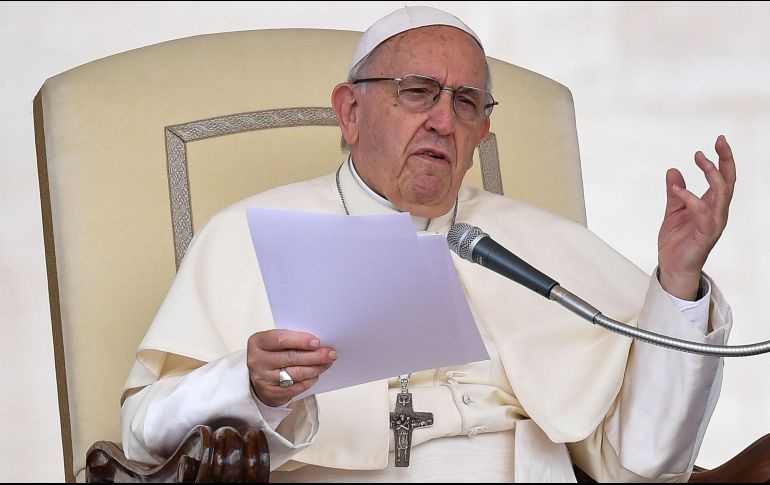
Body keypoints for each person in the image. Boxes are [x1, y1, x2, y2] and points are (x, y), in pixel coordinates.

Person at [120, 6, 736, 482]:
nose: (443, 119)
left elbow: (648, 463)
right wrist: (248, 386)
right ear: (350, 112)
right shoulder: (247, 234)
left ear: (481, 133)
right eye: (417, 91)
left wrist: (678, 280)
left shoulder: (545, 244)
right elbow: (142, 431)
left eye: (465, 102)